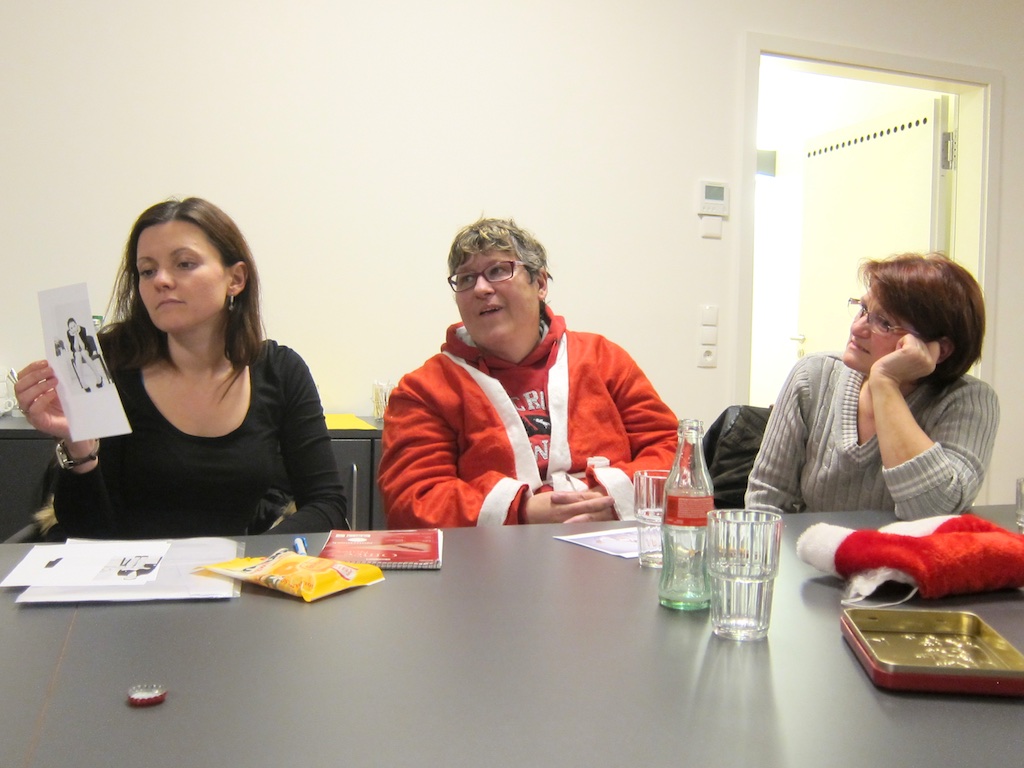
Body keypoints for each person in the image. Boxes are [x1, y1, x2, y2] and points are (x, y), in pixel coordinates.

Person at [15, 198, 348, 538]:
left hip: (238, 568)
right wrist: (80, 448)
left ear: (236, 279)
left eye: (184, 264)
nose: (161, 280)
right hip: (130, 568)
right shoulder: (110, 366)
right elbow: (84, 533)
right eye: (147, 270)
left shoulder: (280, 371)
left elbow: (326, 504)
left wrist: (254, 558)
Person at [378, 217, 678, 528]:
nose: (480, 288)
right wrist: (523, 511)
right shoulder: (424, 390)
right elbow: (412, 499)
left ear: (541, 284)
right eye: (466, 278)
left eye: (498, 270)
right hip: (491, 555)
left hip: (610, 542)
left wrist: (609, 497)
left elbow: (672, 453)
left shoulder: (604, 359)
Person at [746, 252, 999, 520]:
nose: (857, 328)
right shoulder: (813, 376)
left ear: (941, 350)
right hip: (811, 546)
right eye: (863, 309)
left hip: (909, 549)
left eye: (884, 323)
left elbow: (934, 512)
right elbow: (766, 501)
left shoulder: (968, 400)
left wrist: (885, 382)